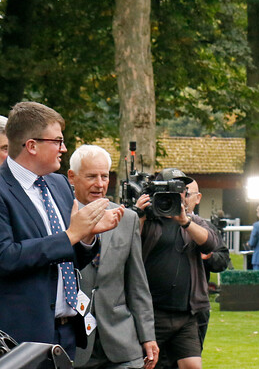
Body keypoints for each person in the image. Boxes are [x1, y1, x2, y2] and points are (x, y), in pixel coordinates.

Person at [0, 102, 121, 359]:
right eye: (57, 141)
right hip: (20, 340)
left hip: (65, 336)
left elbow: (71, 257)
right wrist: (71, 235)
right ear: (32, 146)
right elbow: (6, 257)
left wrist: (88, 236)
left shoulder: (58, 185)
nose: (64, 148)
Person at [68, 145, 159, 369]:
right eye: (91, 176)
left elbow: (137, 284)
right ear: (72, 177)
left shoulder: (126, 218)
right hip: (73, 343)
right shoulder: (58, 217)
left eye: (104, 176)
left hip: (122, 344)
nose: (100, 184)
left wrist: (147, 335)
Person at [140, 167, 219, 369]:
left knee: (193, 365)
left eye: (181, 189)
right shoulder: (148, 222)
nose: (178, 194)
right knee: (149, 364)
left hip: (186, 314)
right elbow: (127, 244)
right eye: (171, 189)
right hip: (154, 313)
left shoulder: (195, 222)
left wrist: (184, 221)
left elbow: (210, 244)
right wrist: (139, 214)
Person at [183, 178, 229, 349]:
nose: (184, 198)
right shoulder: (159, 225)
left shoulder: (206, 228)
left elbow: (223, 260)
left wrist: (208, 258)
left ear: (198, 198)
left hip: (196, 305)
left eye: (188, 194)